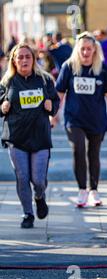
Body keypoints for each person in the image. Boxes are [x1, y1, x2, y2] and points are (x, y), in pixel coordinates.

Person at [54, 32, 107, 208]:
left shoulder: (102, 68)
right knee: (79, 149)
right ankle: (82, 190)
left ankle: (94, 190)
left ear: (94, 50)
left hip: (96, 119)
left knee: (94, 154)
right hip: (74, 119)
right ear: (77, 49)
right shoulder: (69, 67)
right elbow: (59, 93)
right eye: (82, 49)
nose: (85, 52)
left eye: (88, 49)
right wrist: (53, 116)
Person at [0, 43, 60, 228]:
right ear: (14, 61)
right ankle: (27, 214)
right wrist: (2, 108)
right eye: (20, 57)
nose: (24, 60)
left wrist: (52, 107)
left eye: (28, 56)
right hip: (16, 138)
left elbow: (55, 101)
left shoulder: (44, 80)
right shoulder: (7, 82)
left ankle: (39, 196)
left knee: (38, 180)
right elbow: (0, 104)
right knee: (22, 177)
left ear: (33, 59)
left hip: (40, 136)